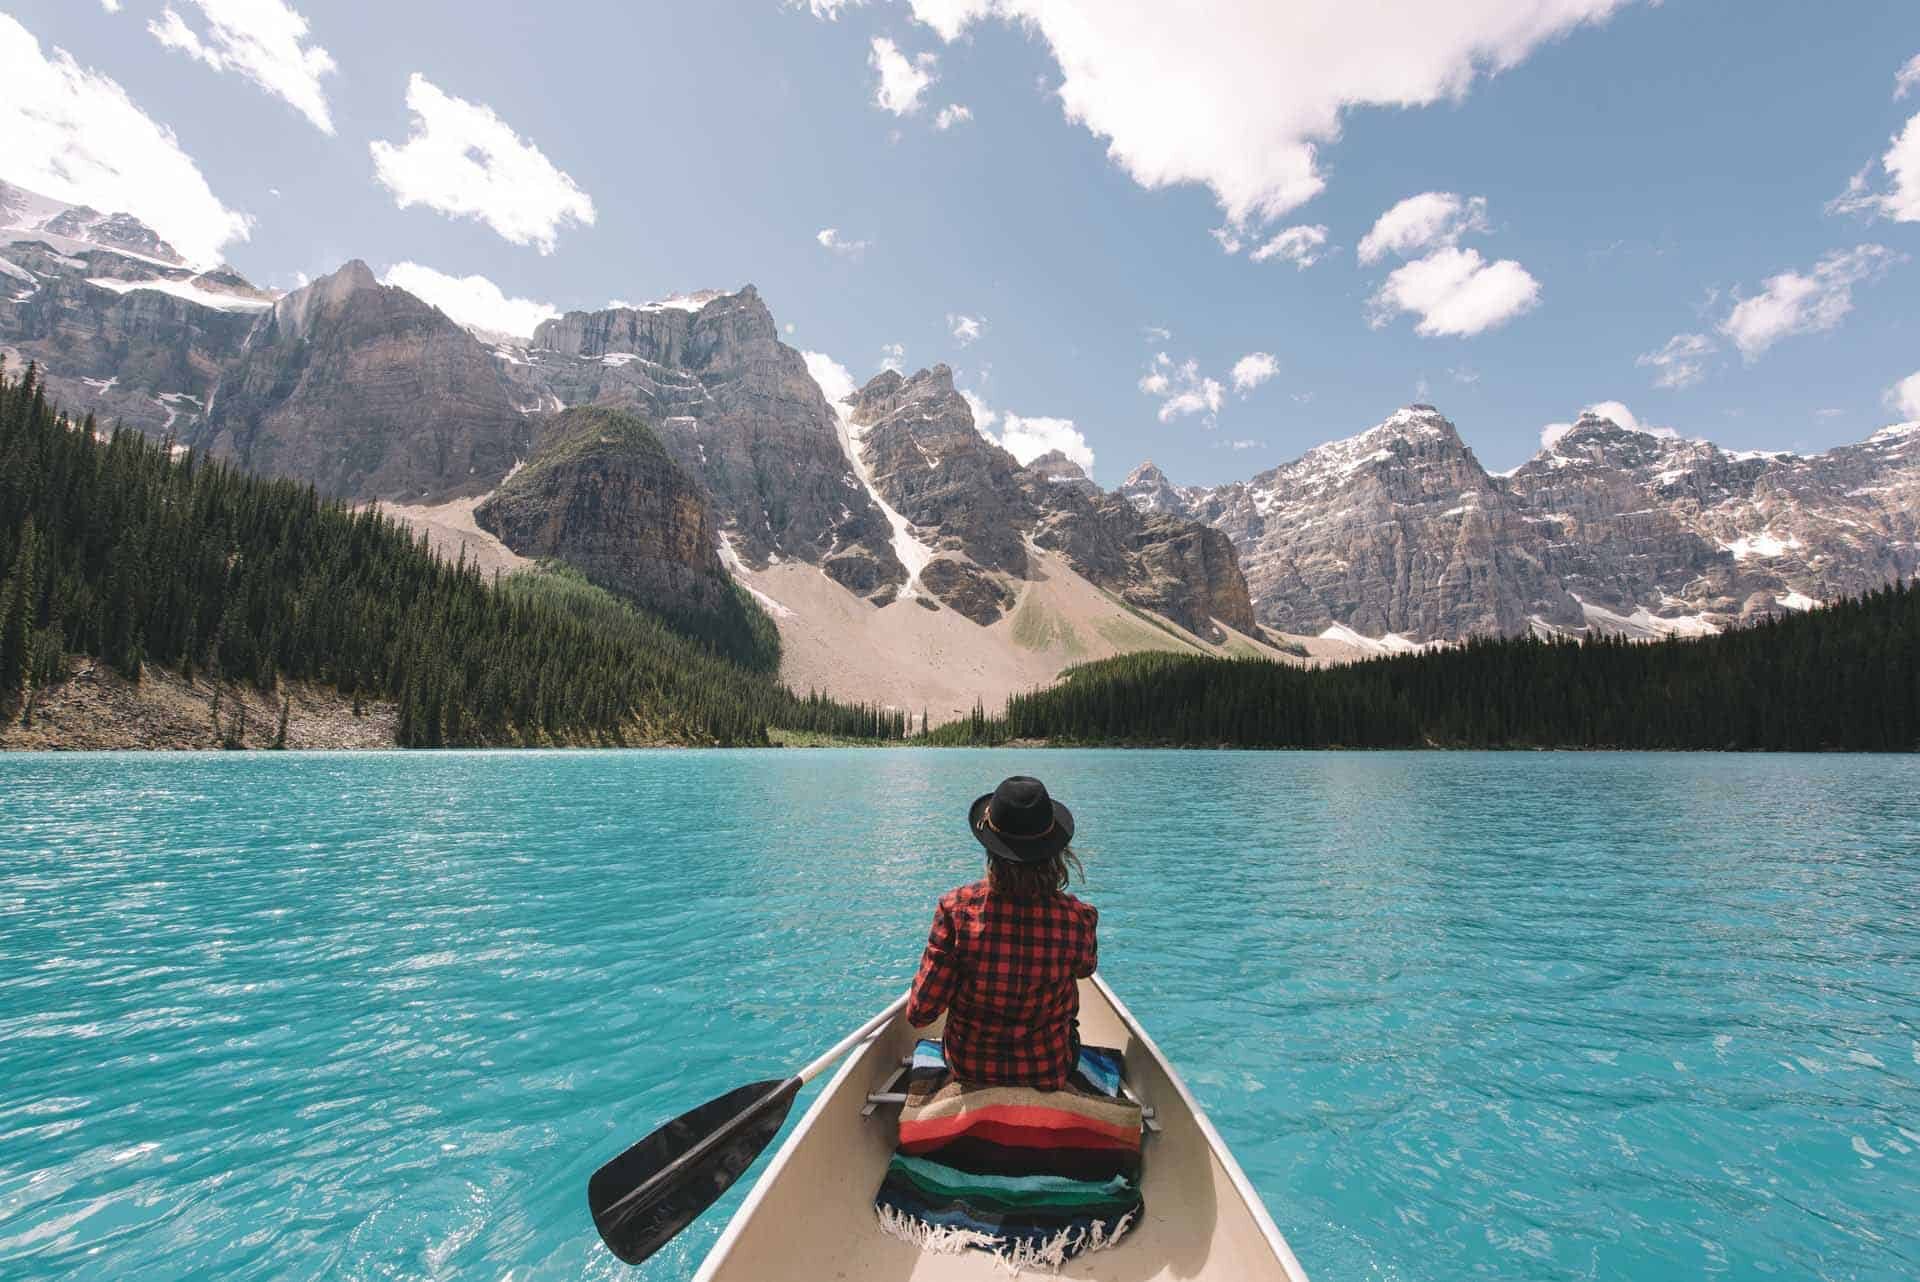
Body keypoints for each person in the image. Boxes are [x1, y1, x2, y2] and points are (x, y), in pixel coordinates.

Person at [905, 775, 1098, 1090]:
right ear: (1054, 853)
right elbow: (1086, 968)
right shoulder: (1077, 918)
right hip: (1048, 1070)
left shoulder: (955, 911)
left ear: (991, 850)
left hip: (968, 1068)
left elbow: (920, 1013)